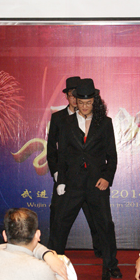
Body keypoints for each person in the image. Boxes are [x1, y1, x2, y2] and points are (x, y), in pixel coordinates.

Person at [52, 78, 121, 279]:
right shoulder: (65, 123)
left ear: (95, 101)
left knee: (105, 225)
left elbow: (112, 155)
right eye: (81, 103)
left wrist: (107, 177)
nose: (84, 106)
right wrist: (61, 180)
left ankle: (111, 264)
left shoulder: (105, 123)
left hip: (96, 183)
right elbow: (62, 155)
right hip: (72, 183)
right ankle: (54, 263)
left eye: (88, 103)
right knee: (60, 224)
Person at [47, 76, 101, 258]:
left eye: (77, 95)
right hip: (66, 178)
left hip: (89, 178)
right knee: (58, 216)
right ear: (67, 96)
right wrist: (57, 174)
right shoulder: (58, 118)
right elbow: (52, 149)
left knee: (95, 217)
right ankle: (54, 253)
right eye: (71, 95)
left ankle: (100, 250)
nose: (75, 99)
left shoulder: (94, 118)